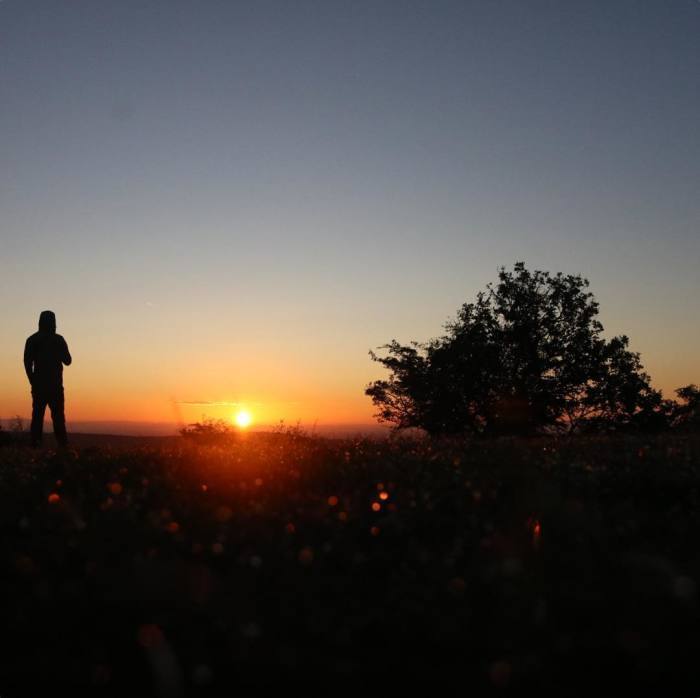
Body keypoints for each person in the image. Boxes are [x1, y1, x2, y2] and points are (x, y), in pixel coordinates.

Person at [24, 310, 72, 447]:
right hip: (55, 386)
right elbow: (68, 361)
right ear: (54, 323)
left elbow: (27, 363)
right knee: (58, 419)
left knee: (37, 418)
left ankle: (35, 447)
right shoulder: (58, 340)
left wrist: (32, 381)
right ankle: (63, 448)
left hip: (39, 386)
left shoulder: (32, 340)